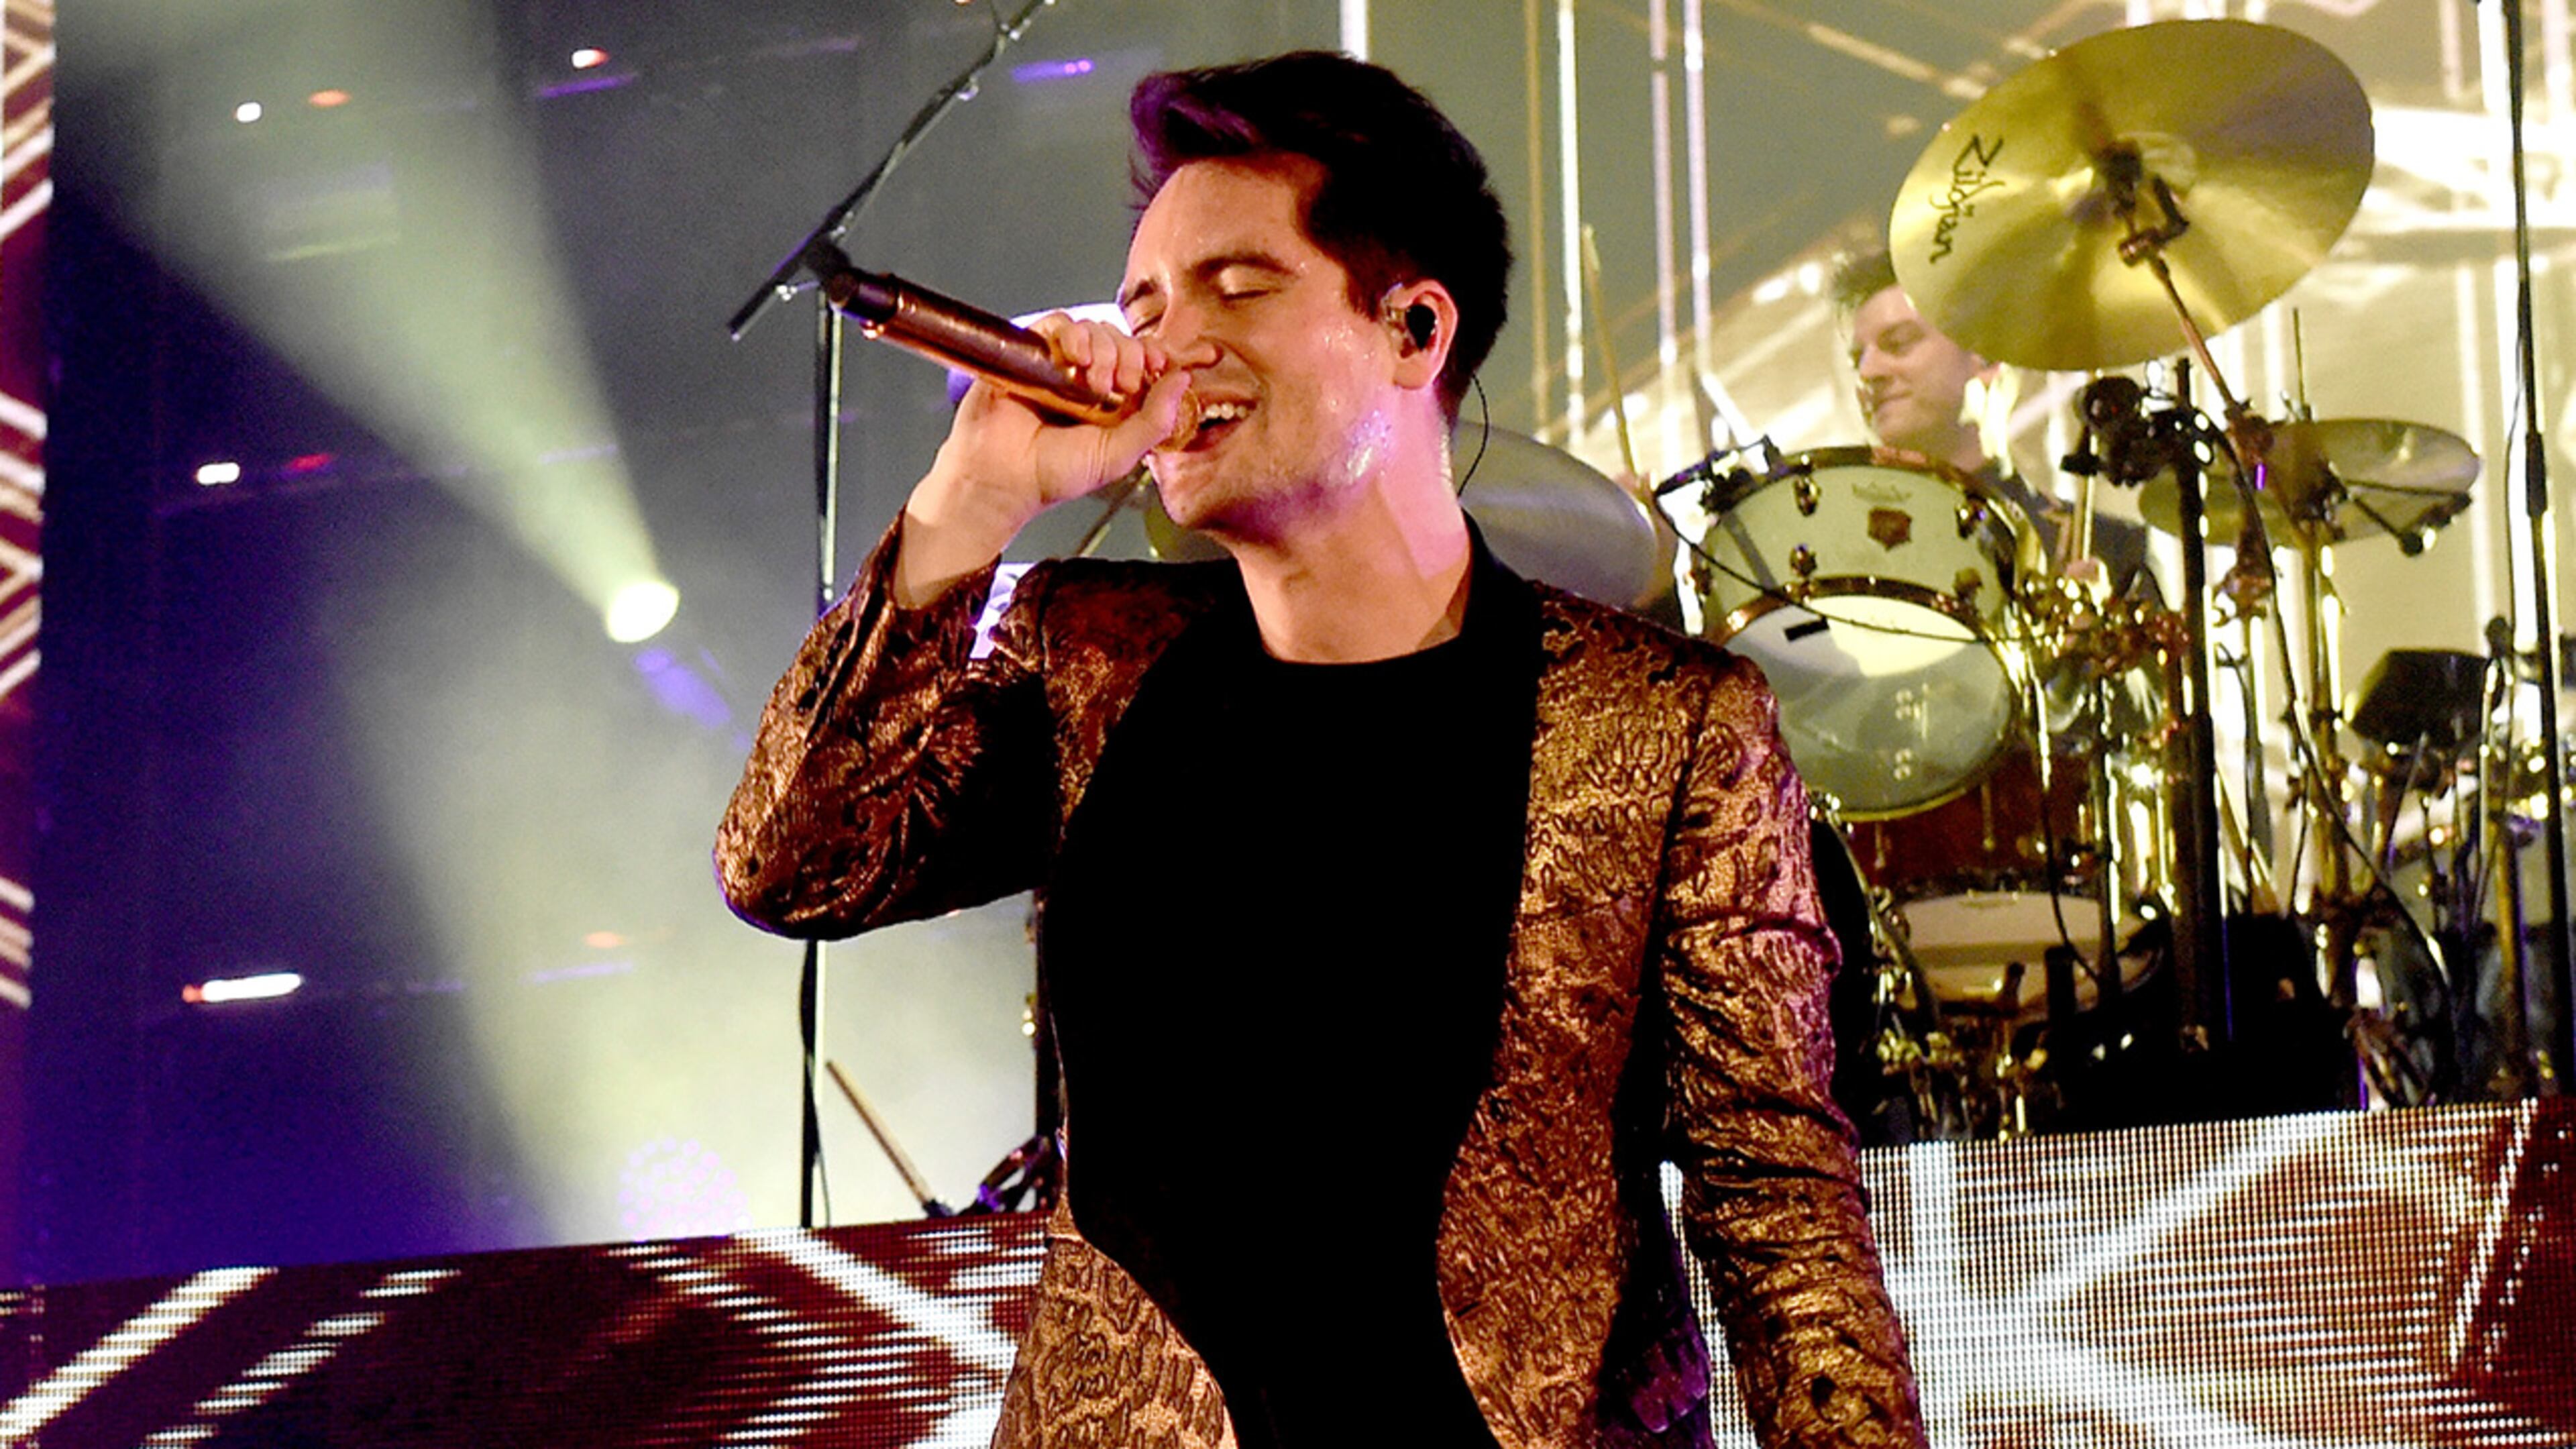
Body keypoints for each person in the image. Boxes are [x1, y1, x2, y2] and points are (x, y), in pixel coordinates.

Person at [718, 52, 1923, 1449]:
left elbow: (1773, 1196)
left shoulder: (1660, 726)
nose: (1169, 350)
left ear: (1414, 330)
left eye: (1240, 288)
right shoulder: (1084, 662)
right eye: (1145, 308)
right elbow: (789, 864)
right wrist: (969, 501)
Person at [1832, 250, 2150, 592]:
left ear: (1983, 357)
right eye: (1857, 360)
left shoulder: (2107, 547)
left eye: (1898, 343)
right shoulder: (1847, 563)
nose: (1868, 372)